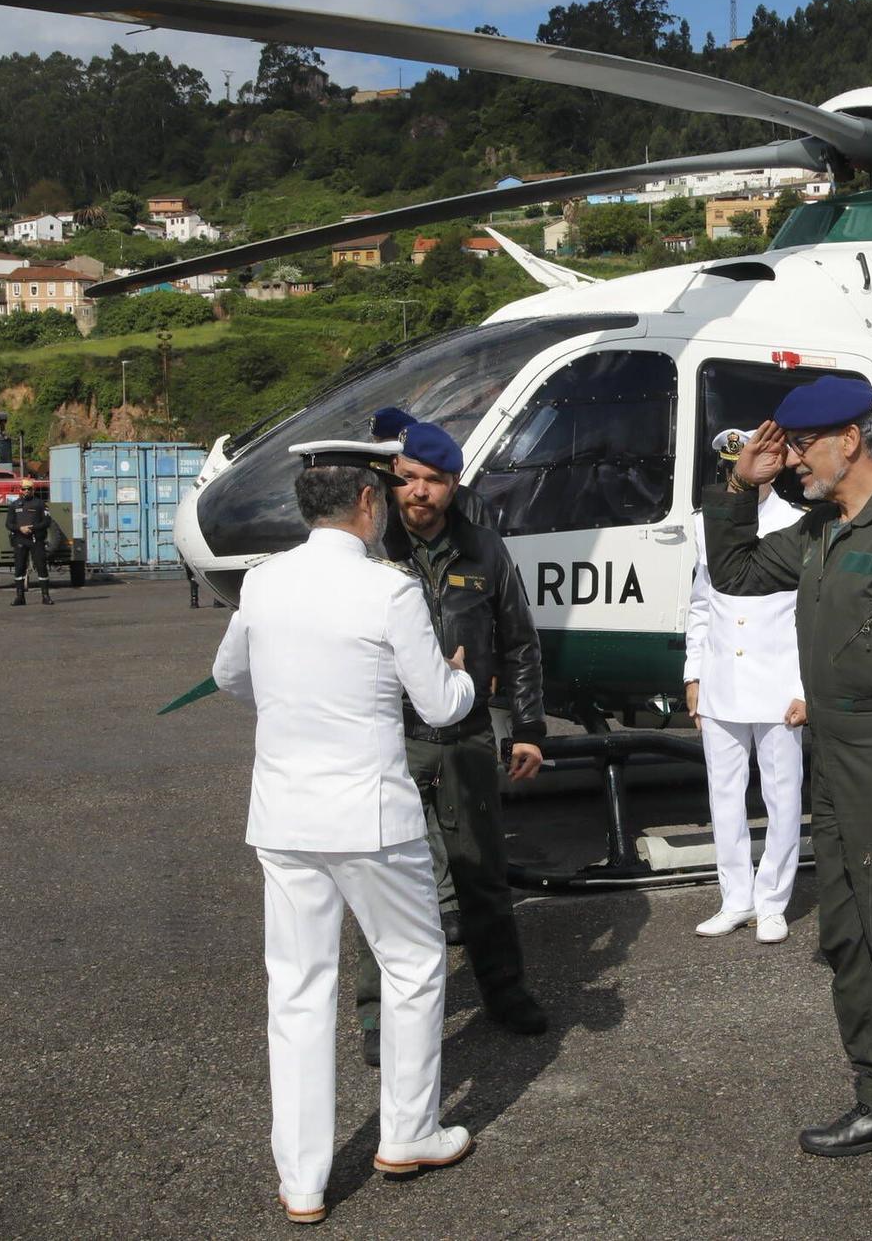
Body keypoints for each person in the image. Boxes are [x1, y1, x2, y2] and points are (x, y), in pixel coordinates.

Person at [705, 377, 872, 1195]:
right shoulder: (824, 527)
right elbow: (736, 569)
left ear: (848, 440)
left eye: (801, 446)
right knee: (848, 940)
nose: (792, 462)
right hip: (835, 756)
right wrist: (738, 485)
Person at [211, 438, 479, 1225]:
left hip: (286, 815)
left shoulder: (262, 584)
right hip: (369, 816)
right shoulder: (388, 590)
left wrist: (293, 698)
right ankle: (408, 1132)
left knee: (295, 989)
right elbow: (439, 703)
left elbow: (230, 675)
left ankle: (302, 1180)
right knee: (415, 964)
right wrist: (463, 675)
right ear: (367, 502)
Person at [351, 421, 551, 1056]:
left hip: (464, 736)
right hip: (392, 737)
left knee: (482, 874)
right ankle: (378, 1011)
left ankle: (504, 991)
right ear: (388, 483)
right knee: (384, 876)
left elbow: (521, 644)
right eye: (406, 479)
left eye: (432, 481)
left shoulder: (485, 550)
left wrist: (527, 730)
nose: (418, 492)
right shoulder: (370, 552)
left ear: (452, 485)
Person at [684, 427, 807, 944]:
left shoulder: (798, 524)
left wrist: (807, 687)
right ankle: (735, 898)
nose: (742, 471)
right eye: (733, 463)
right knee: (724, 797)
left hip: (779, 681)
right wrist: (692, 673)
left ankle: (772, 900)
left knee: (783, 795)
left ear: (772, 464)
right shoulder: (704, 524)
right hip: (721, 679)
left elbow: (811, 616)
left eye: (752, 460)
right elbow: (698, 603)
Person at [6, 486, 55, 607]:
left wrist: (33, 528)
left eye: (29, 489)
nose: (26, 491)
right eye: (23, 489)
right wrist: (20, 528)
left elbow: (47, 522)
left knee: (41, 566)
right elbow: (8, 524)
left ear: (33, 490)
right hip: (20, 539)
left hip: (36, 540)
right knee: (19, 567)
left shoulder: (40, 504)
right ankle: (20, 597)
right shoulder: (14, 505)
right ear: (20, 490)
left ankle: (45, 596)